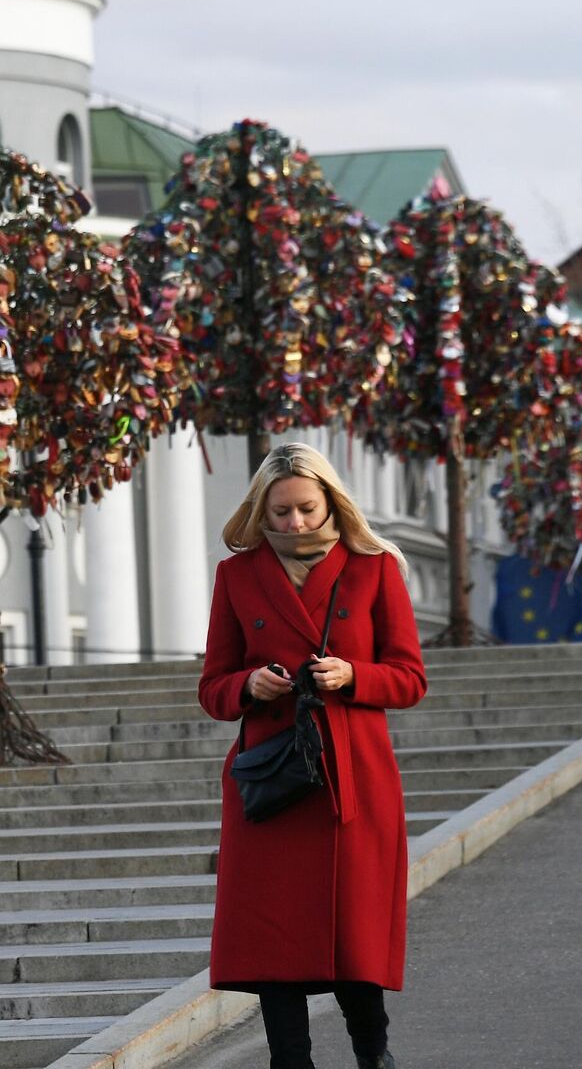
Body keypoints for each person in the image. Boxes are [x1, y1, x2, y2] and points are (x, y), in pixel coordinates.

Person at [198, 443, 427, 1069]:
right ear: (260, 511)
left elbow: (409, 678)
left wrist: (353, 675)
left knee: (352, 935)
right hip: (273, 783)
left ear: (331, 501)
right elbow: (212, 686)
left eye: (305, 508)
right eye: (280, 513)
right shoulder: (237, 576)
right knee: (275, 942)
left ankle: (373, 1056)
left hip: (352, 782)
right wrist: (248, 685)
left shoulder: (373, 567)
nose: (294, 523)